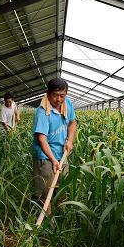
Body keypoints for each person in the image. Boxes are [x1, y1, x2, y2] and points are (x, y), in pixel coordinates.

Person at [32, 78, 77, 215]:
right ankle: (47, 224)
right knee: (46, 190)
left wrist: (70, 140)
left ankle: (62, 216)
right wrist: (53, 160)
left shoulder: (67, 104)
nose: (58, 99)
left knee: (62, 186)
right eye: (55, 95)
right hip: (45, 156)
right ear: (48, 93)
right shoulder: (43, 111)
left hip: (61, 153)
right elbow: (42, 139)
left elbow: (72, 123)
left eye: (62, 95)